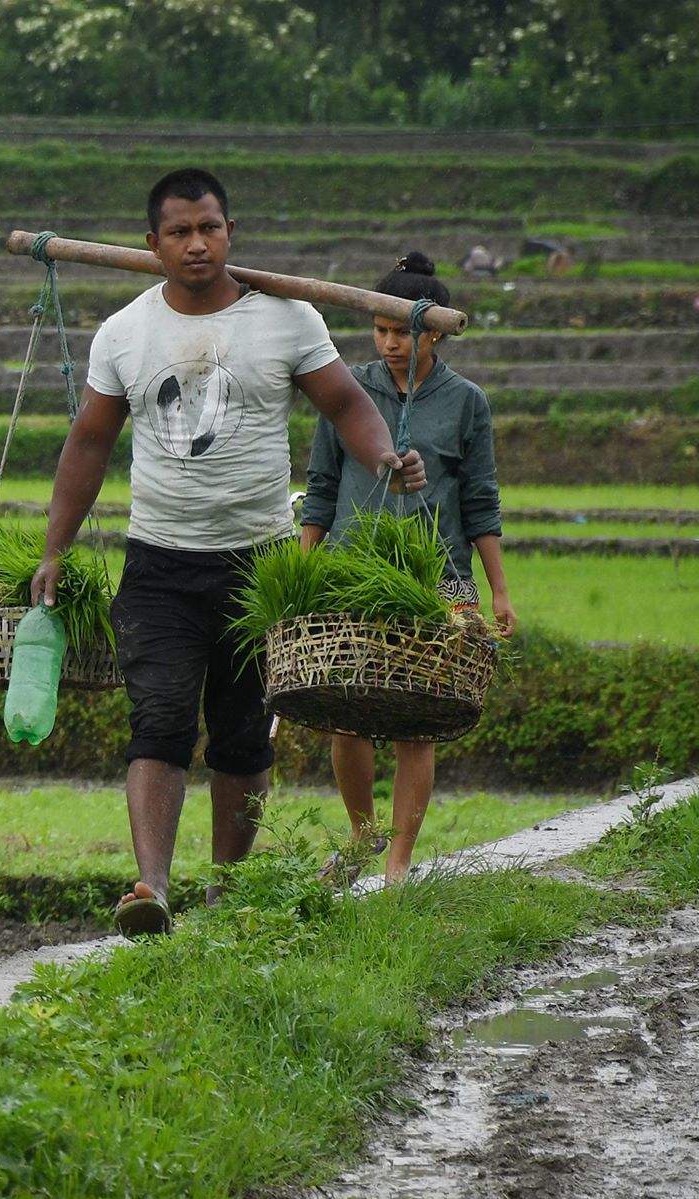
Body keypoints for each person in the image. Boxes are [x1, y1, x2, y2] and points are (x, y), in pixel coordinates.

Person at [31, 167, 425, 937]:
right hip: (160, 561)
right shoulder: (126, 332)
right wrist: (55, 547)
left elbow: (347, 402)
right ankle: (151, 887)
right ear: (153, 244)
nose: (196, 243)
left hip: (260, 568)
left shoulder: (287, 319)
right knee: (160, 722)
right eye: (179, 232)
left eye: (209, 227)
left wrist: (384, 458)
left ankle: (224, 893)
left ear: (230, 233)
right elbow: (89, 442)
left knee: (243, 737)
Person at [300, 251, 516, 884]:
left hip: (439, 576)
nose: (391, 343)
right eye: (382, 330)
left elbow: (480, 501)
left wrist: (498, 590)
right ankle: (364, 835)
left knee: (419, 713)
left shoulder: (467, 403)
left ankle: (398, 861)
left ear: (438, 333)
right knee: (347, 707)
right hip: (349, 570)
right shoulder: (345, 388)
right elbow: (320, 485)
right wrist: (305, 570)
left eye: (405, 332)